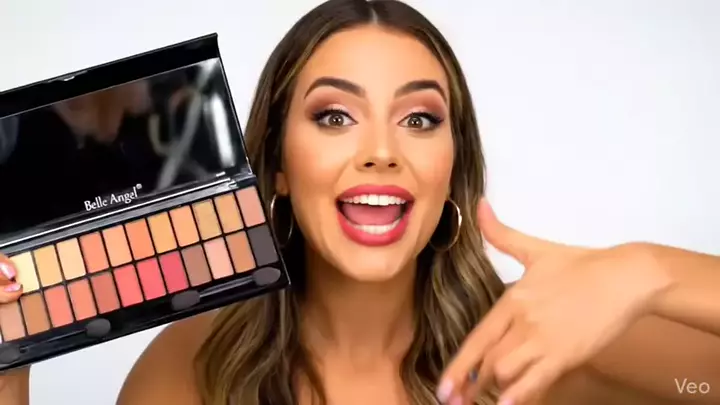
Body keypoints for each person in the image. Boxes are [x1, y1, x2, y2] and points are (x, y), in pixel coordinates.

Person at [1, 0, 719, 404]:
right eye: (335, 116)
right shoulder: (197, 365)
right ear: (279, 166)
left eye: (420, 119)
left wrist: (647, 271)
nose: (381, 151)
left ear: (453, 169)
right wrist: (10, 367)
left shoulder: (534, 343)